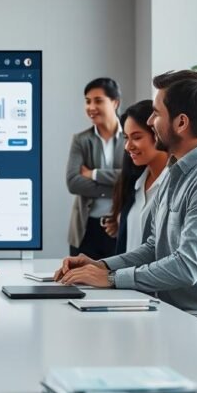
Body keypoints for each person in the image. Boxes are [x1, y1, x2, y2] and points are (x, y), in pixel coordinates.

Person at [55, 70, 197, 311]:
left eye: (156, 113)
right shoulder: (176, 170)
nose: (151, 121)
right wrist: (102, 267)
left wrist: (111, 280)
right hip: (172, 312)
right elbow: (155, 247)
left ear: (181, 122)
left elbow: (187, 266)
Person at [65, 77, 124, 260]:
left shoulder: (131, 137)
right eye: (88, 101)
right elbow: (73, 183)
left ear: (115, 102)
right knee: (80, 284)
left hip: (120, 227)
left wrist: (94, 174)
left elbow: (134, 177)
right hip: (85, 229)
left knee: (116, 284)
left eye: (98, 100)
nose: (91, 107)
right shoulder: (81, 140)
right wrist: (117, 185)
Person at [103, 100, 169, 254]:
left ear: (158, 134)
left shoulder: (176, 185)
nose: (128, 146)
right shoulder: (134, 183)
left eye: (137, 137)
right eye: (126, 137)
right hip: (124, 277)